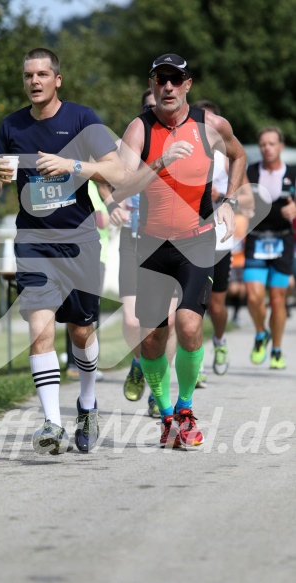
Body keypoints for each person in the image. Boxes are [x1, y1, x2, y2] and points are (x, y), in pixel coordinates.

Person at [0, 47, 123, 455]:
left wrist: (72, 166)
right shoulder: (11, 126)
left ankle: (88, 403)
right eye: (29, 76)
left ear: (57, 79)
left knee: (81, 330)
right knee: (40, 328)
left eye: (43, 74)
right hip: (33, 243)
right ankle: (51, 423)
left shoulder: (82, 119)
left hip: (78, 242)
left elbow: (117, 170)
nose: (35, 81)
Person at [112, 53, 246, 448]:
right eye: (160, 79)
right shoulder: (139, 129)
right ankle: (166, 415)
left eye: (175, 79)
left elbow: (239, 156)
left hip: (195, 239)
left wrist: (231, 201)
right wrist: (159, 163)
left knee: (188, 325)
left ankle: (185, 410)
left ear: (188, 84)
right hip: (151, 244)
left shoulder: (211, 126)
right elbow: (120, 187)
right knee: (152, 338)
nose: (167, 87)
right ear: (152, 84)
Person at [110, 88, 177, 418]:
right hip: (133, 238)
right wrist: (112, 204)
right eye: (150, 107)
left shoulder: (182, 144)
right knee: (131, 321)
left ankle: (159, 391)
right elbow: (103, 179)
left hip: (169, 240)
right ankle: (139, 361)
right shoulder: (127, 144)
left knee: (169, 321)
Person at [192, 100, 254, 379]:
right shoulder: (187, 151)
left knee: (216, 305)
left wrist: (225, 199)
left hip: (219, 239)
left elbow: (249, 200)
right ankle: (196, 362)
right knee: (191, 306)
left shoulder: (229, 158)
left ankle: (219, 340)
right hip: (190, 238)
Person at [243, 126, 296, 369]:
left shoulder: (293, 174)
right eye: (263, 144)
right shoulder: (251, 172)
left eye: (272, 144)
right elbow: (239, 200)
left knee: (277, 300)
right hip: (256, 239)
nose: (267, 148)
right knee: (254, 297)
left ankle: (276, 349)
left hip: (282, 241)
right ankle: (260, 333)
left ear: (281, 147)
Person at [65, 180, 109, 382]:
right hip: (86, 254)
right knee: (81, 312)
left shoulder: (92, 181)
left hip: (94, 254)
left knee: (82, 311)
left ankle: (81, 363)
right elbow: (100, 220)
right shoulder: (89, 183)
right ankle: (77, 364)